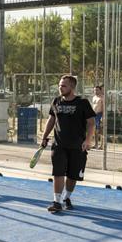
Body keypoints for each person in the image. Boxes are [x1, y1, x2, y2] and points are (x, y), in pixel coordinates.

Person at [40, 75, 95, 214]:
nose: (60, 87)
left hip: (78, 146)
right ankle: (56, 202)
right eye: (59, 85)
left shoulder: (82, 103)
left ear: (72, 87)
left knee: (72, 176)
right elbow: (51, 120)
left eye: (64, 85)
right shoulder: (56, 101)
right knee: (58, 173)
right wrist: (45, 136)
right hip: (59, 145)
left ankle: (66, 198)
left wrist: (87, 140)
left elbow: (91, 123)